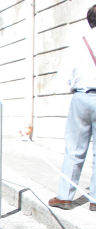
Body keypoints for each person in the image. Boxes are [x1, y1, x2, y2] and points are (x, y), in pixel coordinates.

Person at [49, 4, 96, 212]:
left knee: (75, 149)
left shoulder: (81, 42)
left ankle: (65, 196)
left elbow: (66, 75)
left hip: (82, 96)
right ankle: (95, 198)